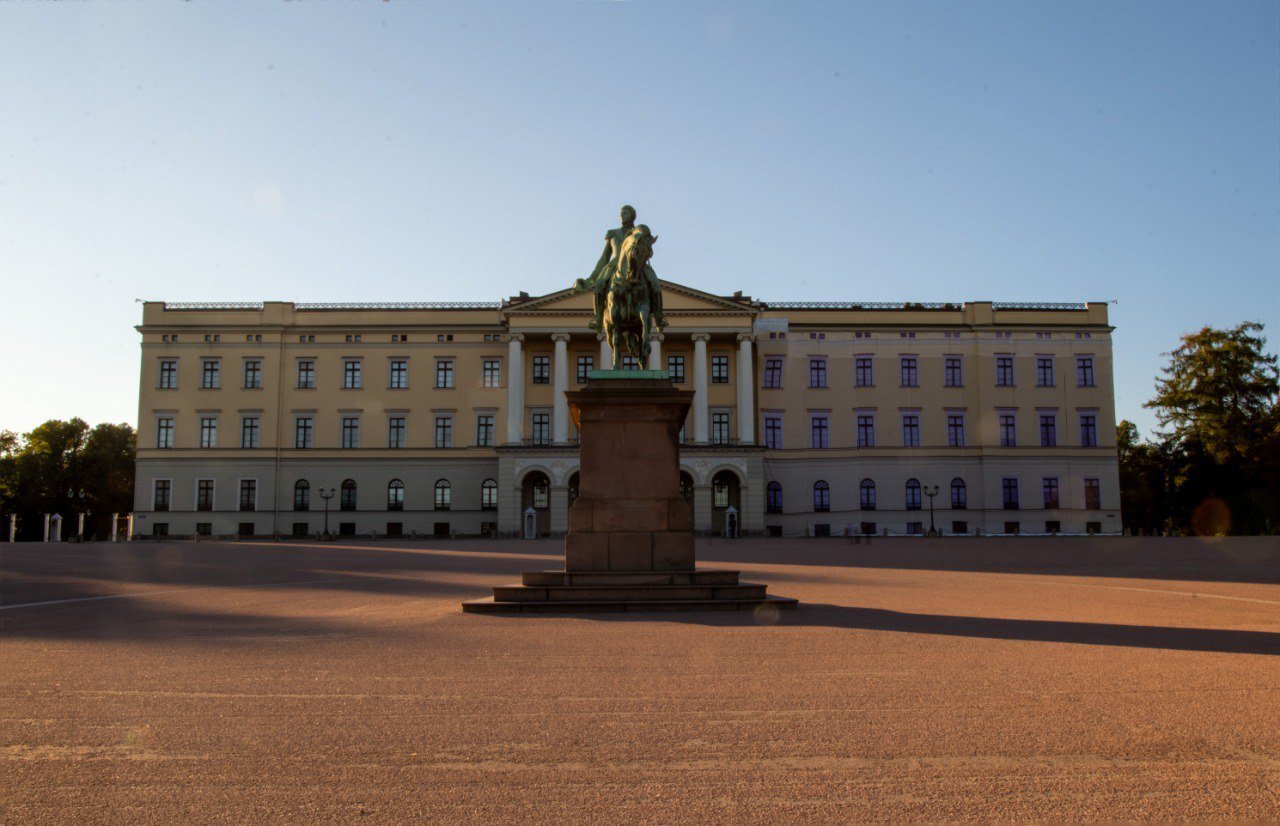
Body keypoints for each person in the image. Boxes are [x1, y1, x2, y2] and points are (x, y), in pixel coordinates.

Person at [574, 205, 665, 332]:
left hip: (638, 265)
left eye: (625, 213)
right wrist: (592, 278)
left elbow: (647, 250)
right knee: (600, 285)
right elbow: (604, 257)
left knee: (655, 285)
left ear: (632, 216)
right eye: (621, 213)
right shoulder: (613, 233)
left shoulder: (639, 233)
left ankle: (660, 318)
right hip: (614, 265)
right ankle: (598, 318)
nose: (622, 215)